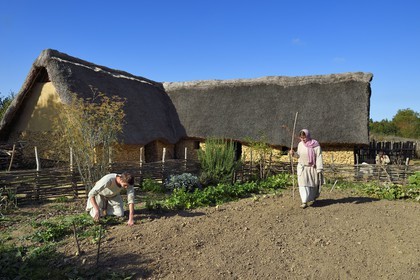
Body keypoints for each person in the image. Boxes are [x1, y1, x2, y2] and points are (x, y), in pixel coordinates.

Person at [289, 129, 324, 209]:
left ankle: (312, 198)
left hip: (312, 168)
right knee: (303, 184)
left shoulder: (315, 145)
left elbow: (319, 157)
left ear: (307, 136)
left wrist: (319, 169)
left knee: (312, 185)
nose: (303, 139)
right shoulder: (300, 144)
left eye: (304, 138)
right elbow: (298, 155)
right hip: (302, 168)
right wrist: (293, 153)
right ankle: (304, 201)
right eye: (301, 138)